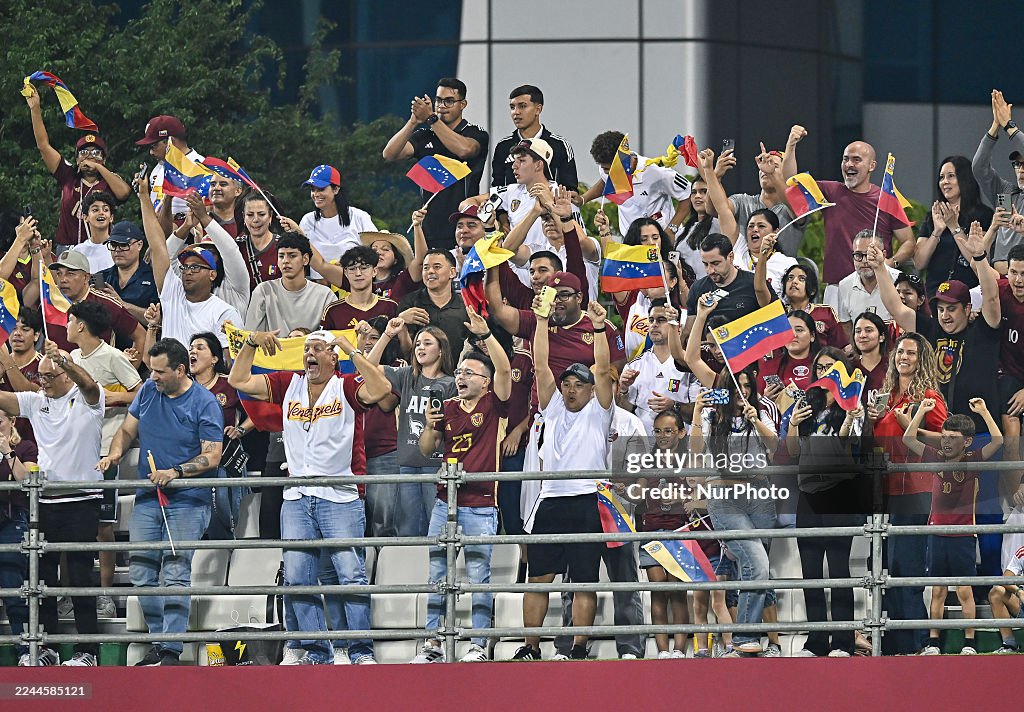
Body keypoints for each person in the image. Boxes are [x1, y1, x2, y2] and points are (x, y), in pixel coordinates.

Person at [228, 329, 392, 665]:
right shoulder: (289, 383)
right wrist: (250, 343)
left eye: (318, 348)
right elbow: (238, 378)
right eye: (306, 349)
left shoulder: (346, 386)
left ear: (333, 357)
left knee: (350, 576)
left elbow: (382, 389)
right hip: (297, 497)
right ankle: (319, 652)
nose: (309, 353)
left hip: (341, 496)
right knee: (298, 578)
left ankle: (360, 651)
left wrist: (351, 349)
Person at [99, 339, 223, 666]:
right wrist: (114, 453)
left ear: (180, 370)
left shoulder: (205, 402)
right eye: (151, 369)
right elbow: (127, 430)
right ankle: (160, 639)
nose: (151, 376)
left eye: (158, 371)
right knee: (140, 572)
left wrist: (177, 472)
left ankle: (170, 650)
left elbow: (212, 455)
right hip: (147, 498)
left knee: (176, 572)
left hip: (188, 500)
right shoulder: (148, 393)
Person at [513, 300, 614, 661]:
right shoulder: (552, 406)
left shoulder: (601, 411)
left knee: (585, 580)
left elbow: (602, 369)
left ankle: (578, 649)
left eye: (578, 384)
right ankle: (530, 647)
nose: (571, 389)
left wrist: (600, 328)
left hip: (588, 499)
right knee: (538, 578)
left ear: (590, 390)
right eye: (567, 383)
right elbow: (541, 364)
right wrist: (540, 320)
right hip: (551, 499)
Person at [412, 306, 511, 663]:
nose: (461, 377)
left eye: (469, 372)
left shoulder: (494, 403)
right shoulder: (447, 407)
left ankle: (478, 644)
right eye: (459, 372)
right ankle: (433, 643)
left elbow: (503, 368)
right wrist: (428, 425)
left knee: (478, 577)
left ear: (485, 381)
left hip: (482, 503)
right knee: (438, 574)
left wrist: (485, 337)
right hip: (445, 502)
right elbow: (427, 451)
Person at [0, 341, 105, 666]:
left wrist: (66, 360)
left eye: (48, 376)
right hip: (43, 502)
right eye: (39, 376)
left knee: (79, 576)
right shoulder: (35, 402)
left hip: (82, 502)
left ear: (66, 374)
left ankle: (88, 652)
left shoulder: (89, 400)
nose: (41, 382)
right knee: (41, 579)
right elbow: (5, 400)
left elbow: (88, 383)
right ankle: (47, 650)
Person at [688, 356, 778, 656]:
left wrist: (755, 420)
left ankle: (747, 641)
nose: (742, 394)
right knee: (758, 563)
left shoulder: (762, 410)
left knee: (755, 569)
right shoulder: (713, 417)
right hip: (726, 499)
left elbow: (776, 445)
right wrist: (699, 412)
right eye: (736, 388)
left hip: (760, 496)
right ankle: (743, 637)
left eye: (747, 388)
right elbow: (696, 450)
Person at [867, 332, 947, 655]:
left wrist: (911, 423)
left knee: (907, 564)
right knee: (886, 566)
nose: (904, 357)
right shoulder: (884, 397)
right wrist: (870, 422)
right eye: (900, 351)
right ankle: (894, 644)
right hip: (884, 492)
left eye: (911, 353)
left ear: (921, 359)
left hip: (917, 490)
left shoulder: (928, 397)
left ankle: (919, 641)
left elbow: (948, 440)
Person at [904, 398, 1002, 656]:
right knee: (937, 590)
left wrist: (984, 411)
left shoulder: (973, 459)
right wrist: (921, 412)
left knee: (964, 590)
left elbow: (999, 441)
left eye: (953, 438)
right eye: (944, 437)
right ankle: (934, 642)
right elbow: (908, 439)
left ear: (967, 442)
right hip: (936, 533)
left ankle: (969, 642)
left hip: (963, 535)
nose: (946, 442)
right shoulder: (935, 455)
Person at [784, 348, 865, 657]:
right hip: (808, 496)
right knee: (811, 572)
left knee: (840, 572)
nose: (825, 372)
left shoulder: (852, 405)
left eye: (831, 367)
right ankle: (816, 641)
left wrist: (851, 417)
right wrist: (793, 422)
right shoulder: (808, 404)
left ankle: (843, 641)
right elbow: (792, 451)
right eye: (820, 367)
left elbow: (848, 441)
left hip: (839, 495)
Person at [66, 301, 142, 618]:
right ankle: (71, 595)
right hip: (76, 453)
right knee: (70, 528)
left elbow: (142, 392)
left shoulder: (113, 357)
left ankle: (105, 595)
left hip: (105, 451)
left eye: (69, 320)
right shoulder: (71, 359)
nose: (66, 325)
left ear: (81, 325)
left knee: (102, 527)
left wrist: (113, 397)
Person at [783, 135, 915, 304]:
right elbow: (791, 182)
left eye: (856, 160)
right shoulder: (830, 191)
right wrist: (791, 145)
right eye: (845, 159)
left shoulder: (886, 198)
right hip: (836, 289)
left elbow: (909, 242)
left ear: (871, 166)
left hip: (876, 287)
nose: (849, 164)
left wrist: (889, 263)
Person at [369, 321, 456, 537]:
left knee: (435, 529)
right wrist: (388, 334)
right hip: (407, 464)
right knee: (407, 531)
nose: (420, 348)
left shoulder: (452, 384)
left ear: (441, 350)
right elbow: (368, 366)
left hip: (436, 466)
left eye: (427, 343)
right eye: (417, 343)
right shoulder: (407, 376)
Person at [382, 77, 489, 249]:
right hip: (430, 228)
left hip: (463, 227)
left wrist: (431, 119)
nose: (442, 106)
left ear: (463, 104)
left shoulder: (475, 133)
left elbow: (465, 150)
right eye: (439, 100)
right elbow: (389, 154)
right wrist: (413, 122)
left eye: (449, 101)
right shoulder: (426, 135)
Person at [139, 172, 242, 348]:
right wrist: (143, 196)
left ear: (212, 274)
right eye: (185, 267)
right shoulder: (173, 292)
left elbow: (230, 364)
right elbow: (158, 247)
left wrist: (204, 217)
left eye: (195, 267)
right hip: (165, 374)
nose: (187, 272)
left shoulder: (224, 311)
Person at [24, 85, 130, 246]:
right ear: (76, 159)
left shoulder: (109, 180)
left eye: (95, 153)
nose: (89, 156)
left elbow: (124, 194)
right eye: (84, 153)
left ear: (104, 159)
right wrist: (35, 109)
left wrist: (99, 168)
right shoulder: (68, 176)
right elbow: (43, 146)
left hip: (101, 248)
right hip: (68, 247)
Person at [639, 410, 694, 658]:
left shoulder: (690, 460)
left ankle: (679, 649)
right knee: (657, 588)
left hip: (680, 529)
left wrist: (681, 497)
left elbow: (701, 495)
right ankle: (662, 650)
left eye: (669, 431)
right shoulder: (647, 460)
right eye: (658, 431)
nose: (662, 436)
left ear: (681, 432)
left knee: (677, 589)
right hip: (650, 529)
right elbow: (637, 492)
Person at [699, 148, 797, 290]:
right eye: (750, 226)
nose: (754, 229)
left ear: (775, 232)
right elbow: (721, 208)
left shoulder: (786, 264)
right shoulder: (738, 249)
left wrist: (791, 144)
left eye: (761, 226)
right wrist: (710, 171)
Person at [709, 128, 805, 256]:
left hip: (781, 273)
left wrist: (790, 146)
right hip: (746, 272)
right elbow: (714, 209)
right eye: (762, 164)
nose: (765, 169)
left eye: (774, 165)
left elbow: (794, 205)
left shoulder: (793, 205)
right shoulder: (742, 201)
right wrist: (715, 176)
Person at [581, 130, 691, 237]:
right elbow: (605, 181)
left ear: (624, 159)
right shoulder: (606, 171)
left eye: (611, 169)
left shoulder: (657, 172)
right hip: (631, 244)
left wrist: (671, 229)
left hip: (661, 240)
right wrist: (583, 198)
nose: (609, 174)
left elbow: (688, 194)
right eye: (605, 169)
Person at [914, 155, 993, 294]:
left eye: (951, 176)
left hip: (969, 295)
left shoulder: (983, 215)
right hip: (935, 294)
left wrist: (953, 227)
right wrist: (937, 231)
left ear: (965, 179)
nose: (945, 182)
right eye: (941, 177)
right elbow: (919, 263)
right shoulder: (933, 215)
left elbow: (977, 262)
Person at [168, 193, 252, 318]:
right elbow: (166, 258)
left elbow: (230, 251)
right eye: (203, 251)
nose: (206, 257)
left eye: (212, 252)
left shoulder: (236, 284)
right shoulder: (190, 280)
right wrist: (186, 226)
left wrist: (203, 217)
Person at [46, 249, 146, 354]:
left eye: (70, 274)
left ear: (86, 277)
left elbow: (140, 335)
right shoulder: (49, 301)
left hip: (97, 369)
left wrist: (129, 369)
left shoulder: (106, 304)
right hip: (55, 368)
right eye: (59, 274)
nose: (63, 279)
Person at [618, 304, 696, 433]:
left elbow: (697, 412)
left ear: (678, 329)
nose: (654, 324)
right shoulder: (633, 366)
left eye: (661, 320)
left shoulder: (690, 365)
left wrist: (674, 405)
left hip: (680, 446)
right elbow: (625, 410)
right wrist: (624, 390)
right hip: (642, 445)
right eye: (651, 320)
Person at [292, 164, 377, 277]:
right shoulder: (307, 220)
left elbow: (376, 251)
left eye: (321, 189)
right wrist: (296, 233)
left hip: (352, 288)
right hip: (319, 289)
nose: (315, 194)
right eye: (313, 190)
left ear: (336, 189)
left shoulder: (359, 217)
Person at [0, 409, 37, 665]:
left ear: (11, 421)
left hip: (12, 521)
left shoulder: (25, 447)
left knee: (13, 587)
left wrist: (7, 452)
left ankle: (25, 652)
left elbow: (27, 481)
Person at [971, 89, 1024, 269]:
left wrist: (1009, 125)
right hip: (1000, 279)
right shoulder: (1006, 193)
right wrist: (995, 126)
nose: (1021, 170)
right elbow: (979, 168)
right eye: (1017, 165)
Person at [491, 85, 577, 192]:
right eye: (512, 107)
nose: (516, 112)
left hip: (551, 207)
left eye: (522, 106)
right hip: (512, 208)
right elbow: (497, 189)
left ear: (538, 109)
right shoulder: (503, 146)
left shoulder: (559, 145)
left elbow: (570, 190)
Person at [684, 233, 775, 335]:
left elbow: (776, 320)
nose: (710, 270)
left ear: (730, 257)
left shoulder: (754, 284)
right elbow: (689, 333)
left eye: (715, 263)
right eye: (705, 264)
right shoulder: (697, 288)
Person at [244, 232, 335, 334]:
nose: (285, 261)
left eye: (292, 255)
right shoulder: (263, 291)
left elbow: (332, 338)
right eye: (281, 256)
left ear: (305, 259)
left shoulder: (325, 295)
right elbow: (251, 336)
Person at [397, 249, 469, 352]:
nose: (430, 271)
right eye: (426, 268)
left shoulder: (466, 306)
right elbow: (406, 353)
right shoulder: (410, 302)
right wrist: (401, 322)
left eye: (437, 267)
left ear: (452, 272)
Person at [320, 246, 400, 332]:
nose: (358, 273)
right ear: (346, 273)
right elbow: (325, 343)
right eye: (352, 269)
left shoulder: (390, 306)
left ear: (374, 271)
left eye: (364, 268)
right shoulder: (333, 310)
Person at [835, 231, 902, 330]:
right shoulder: (844, 285)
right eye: (858, 255)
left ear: (883, 255)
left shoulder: (900, 280)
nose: (864, 261)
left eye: (870, 254)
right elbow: (846, 323)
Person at [97, 220, 158, 329]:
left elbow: (159, 319)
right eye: (113, 245)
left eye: (124, 245)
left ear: (139, 245)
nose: (117, 250)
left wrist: (121, 305)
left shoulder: (154, 278)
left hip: (144, 343)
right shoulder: (100, 277)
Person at [778, 263, 847, 350]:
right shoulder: (779, 313)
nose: (794, 281)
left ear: (813, 291)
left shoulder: (826, 312)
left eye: (801, 279)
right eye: (790, 278)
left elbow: (841, 347)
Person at [674, 175, 721, 278]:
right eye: (694, 192)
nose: (697, 196)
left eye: (704, 191)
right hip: (686, 289)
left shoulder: (720, 225)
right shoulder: (683, 231)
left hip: (709, 288)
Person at [236, 192, 282, 290]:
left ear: (270, 215)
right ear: (244, 217)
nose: (255, 220)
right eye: (250, 215)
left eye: (261, 214)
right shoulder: (236, 247)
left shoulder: (283, 245)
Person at [988, 542, 1024, 654]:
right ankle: (1010, 644)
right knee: (996, 593)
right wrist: (1019, 592)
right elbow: (1006, 578)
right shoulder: (1022, 552)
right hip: (1022, 606)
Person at [851, 311, 890, 405]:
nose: (862, 335)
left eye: (869, 330)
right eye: (858, 331)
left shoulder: (892, 367)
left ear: (882, 337)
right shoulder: (848, 368)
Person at [71, 191, 116, 272]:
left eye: (105, 210)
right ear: (85, 217)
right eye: (95, 210)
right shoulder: (78, 251)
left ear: (111, 218)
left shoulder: (118, 249)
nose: (101, 213)